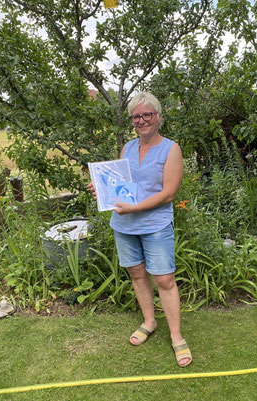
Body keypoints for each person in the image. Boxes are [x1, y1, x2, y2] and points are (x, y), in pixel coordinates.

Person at [88, 92, 191, 368]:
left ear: (158, 117)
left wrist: (135, 208)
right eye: (137, 116)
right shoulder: (128, 148)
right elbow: (123, 185)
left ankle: (177, 335)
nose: (142, 120)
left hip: (155, 224)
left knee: (165, 280)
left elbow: (169, 193)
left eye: (147, 115)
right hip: (124, 224)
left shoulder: (171, 149)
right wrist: (102, 188)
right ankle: (149, 321)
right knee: (136, 273)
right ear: (132, 121)